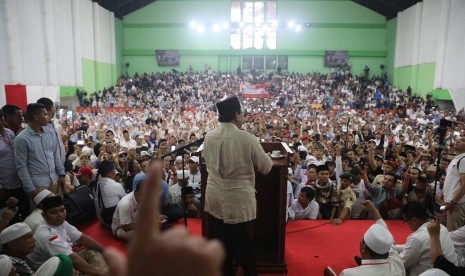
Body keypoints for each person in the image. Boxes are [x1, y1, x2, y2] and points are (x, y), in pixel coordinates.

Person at [203, 96, 273, 276]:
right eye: (242, 114)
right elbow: (266, 167)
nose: (243, 117)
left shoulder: (209, 136)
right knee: (244, 244)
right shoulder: (246, 137)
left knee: (221, 243)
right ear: (236, 115)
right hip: (238, 200)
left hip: (215, 197)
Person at [28, 196, 109, 275]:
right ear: (44, 215)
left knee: (94, 250)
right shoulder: (45, 234)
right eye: (54, 212)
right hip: (54, 271)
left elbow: (82, 238)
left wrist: (105, 250)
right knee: (95, 270)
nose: (60, 215)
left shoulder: (60, 222)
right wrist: (99, 272)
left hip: (65, 260)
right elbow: (71, 258)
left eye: (62, 210)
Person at [339, 200, 406, 276]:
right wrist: (373, 210)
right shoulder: (397, 264)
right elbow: (385, 231)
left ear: (363, 247)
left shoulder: (349, 273)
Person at [14, 103, 66, 198]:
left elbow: (55, 154)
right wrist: (30, 188)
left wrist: (61, 174)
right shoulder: (21, 139)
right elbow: (21, 166)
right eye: (45, 114)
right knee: (41, 212)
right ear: (36, 117)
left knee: (57, 211)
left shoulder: (49, 133)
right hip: (38, 185)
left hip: (55, 181)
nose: (48, 117)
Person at [397, 201, 457, 275]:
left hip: (434, 273)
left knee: (399, 268)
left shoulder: (417, 238)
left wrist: (391, 250)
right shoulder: (441, 227)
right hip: (452, 271)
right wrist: (395, 246)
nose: (406, 225)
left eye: (405, 221)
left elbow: (401, 262)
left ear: (414, 220)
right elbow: (411, 247)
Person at [0, 110, 29, 223]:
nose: (1, 121)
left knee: (25, 209)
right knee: (12, 216)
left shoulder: (9, 133)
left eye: (1, 118)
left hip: (20, 179)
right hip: (6, 185)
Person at [441, 136, 465, 231]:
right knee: (446, 232)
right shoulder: (457, 158)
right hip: (450, 201)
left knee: (453, 235)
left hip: (456, 203)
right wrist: (442, 193)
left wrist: (453, 202)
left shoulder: (463, 160)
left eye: (463, 140)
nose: (458, 140)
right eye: (458, 139)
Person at [111, 174, 145, 241]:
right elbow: (126, 227)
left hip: (135, 221)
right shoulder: (125, 204)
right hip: (121, 227)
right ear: (138, 193)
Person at [94, 160, 126, 226]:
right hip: (112, 221)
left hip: (102, 221)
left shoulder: (96, 185)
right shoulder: (115, 185)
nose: (115, 171)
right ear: (109, 174)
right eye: (114, 169)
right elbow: (125, 200)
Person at [36, 98, 66, 165]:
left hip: (59, 166)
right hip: (52, 168)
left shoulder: (51, 124)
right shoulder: (42, 127)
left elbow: (57, 143)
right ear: (51, 108)